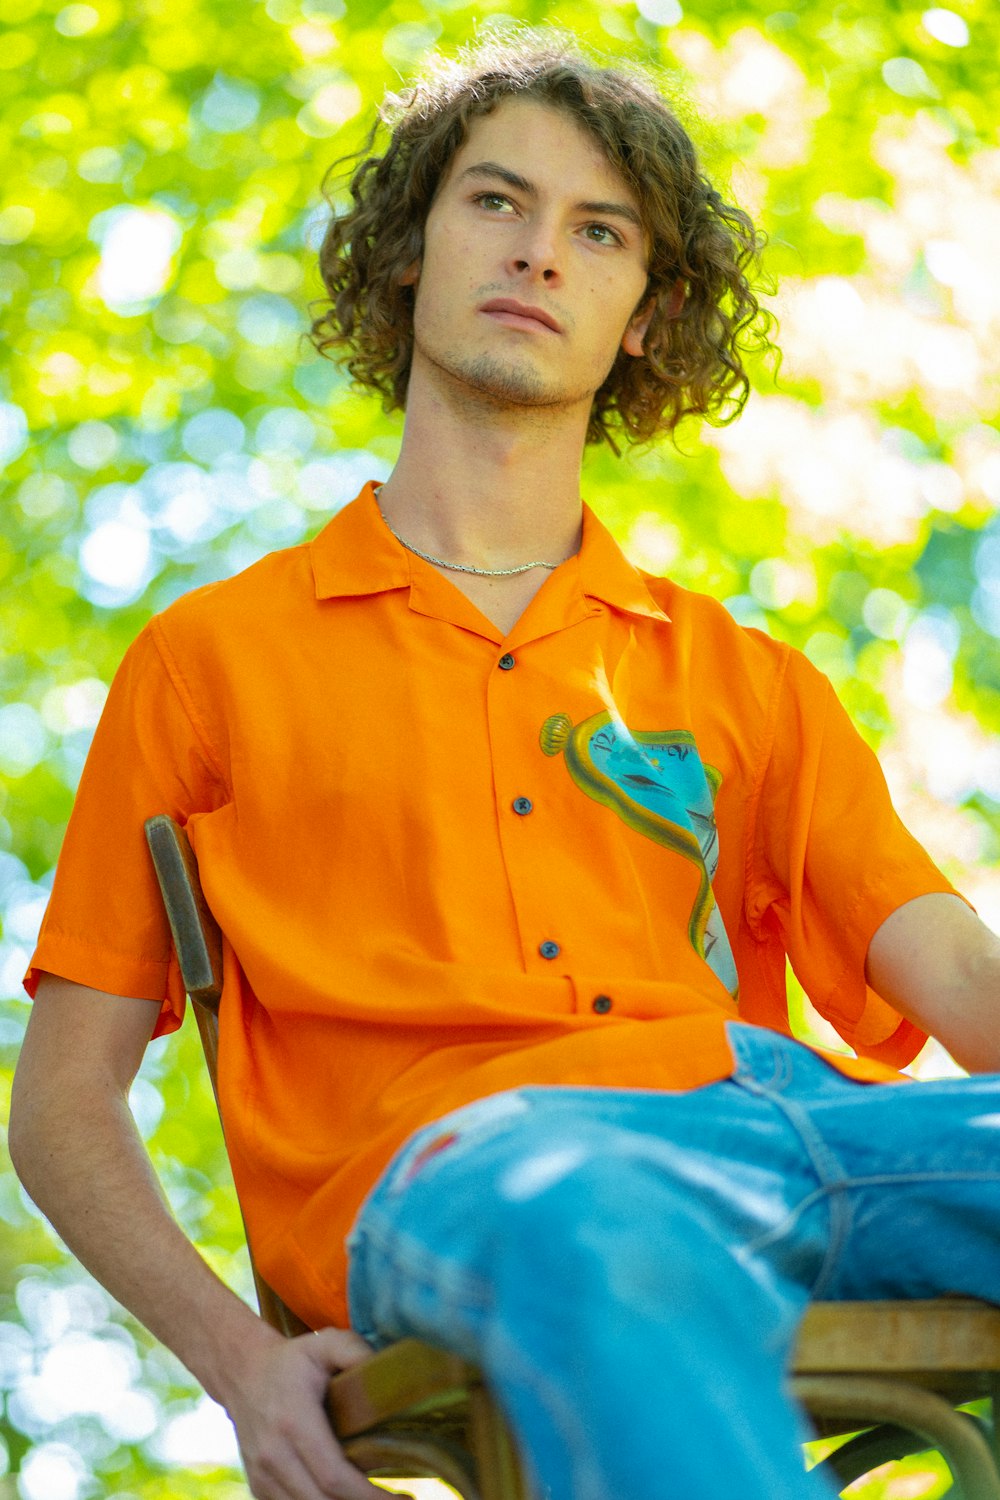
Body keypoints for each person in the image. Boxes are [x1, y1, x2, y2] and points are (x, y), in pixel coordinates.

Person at [10, 28, 1000, 1500]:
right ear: (411, 247)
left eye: (596, 231)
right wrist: (238, 1357)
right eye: (496, 201)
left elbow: (969, 996)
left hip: (789, 1128)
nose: (539, 253)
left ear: (649, 316)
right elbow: (58, 1104)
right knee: (592, 1219)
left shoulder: (743, 680)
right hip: (484, 1175)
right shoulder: (213, 659)